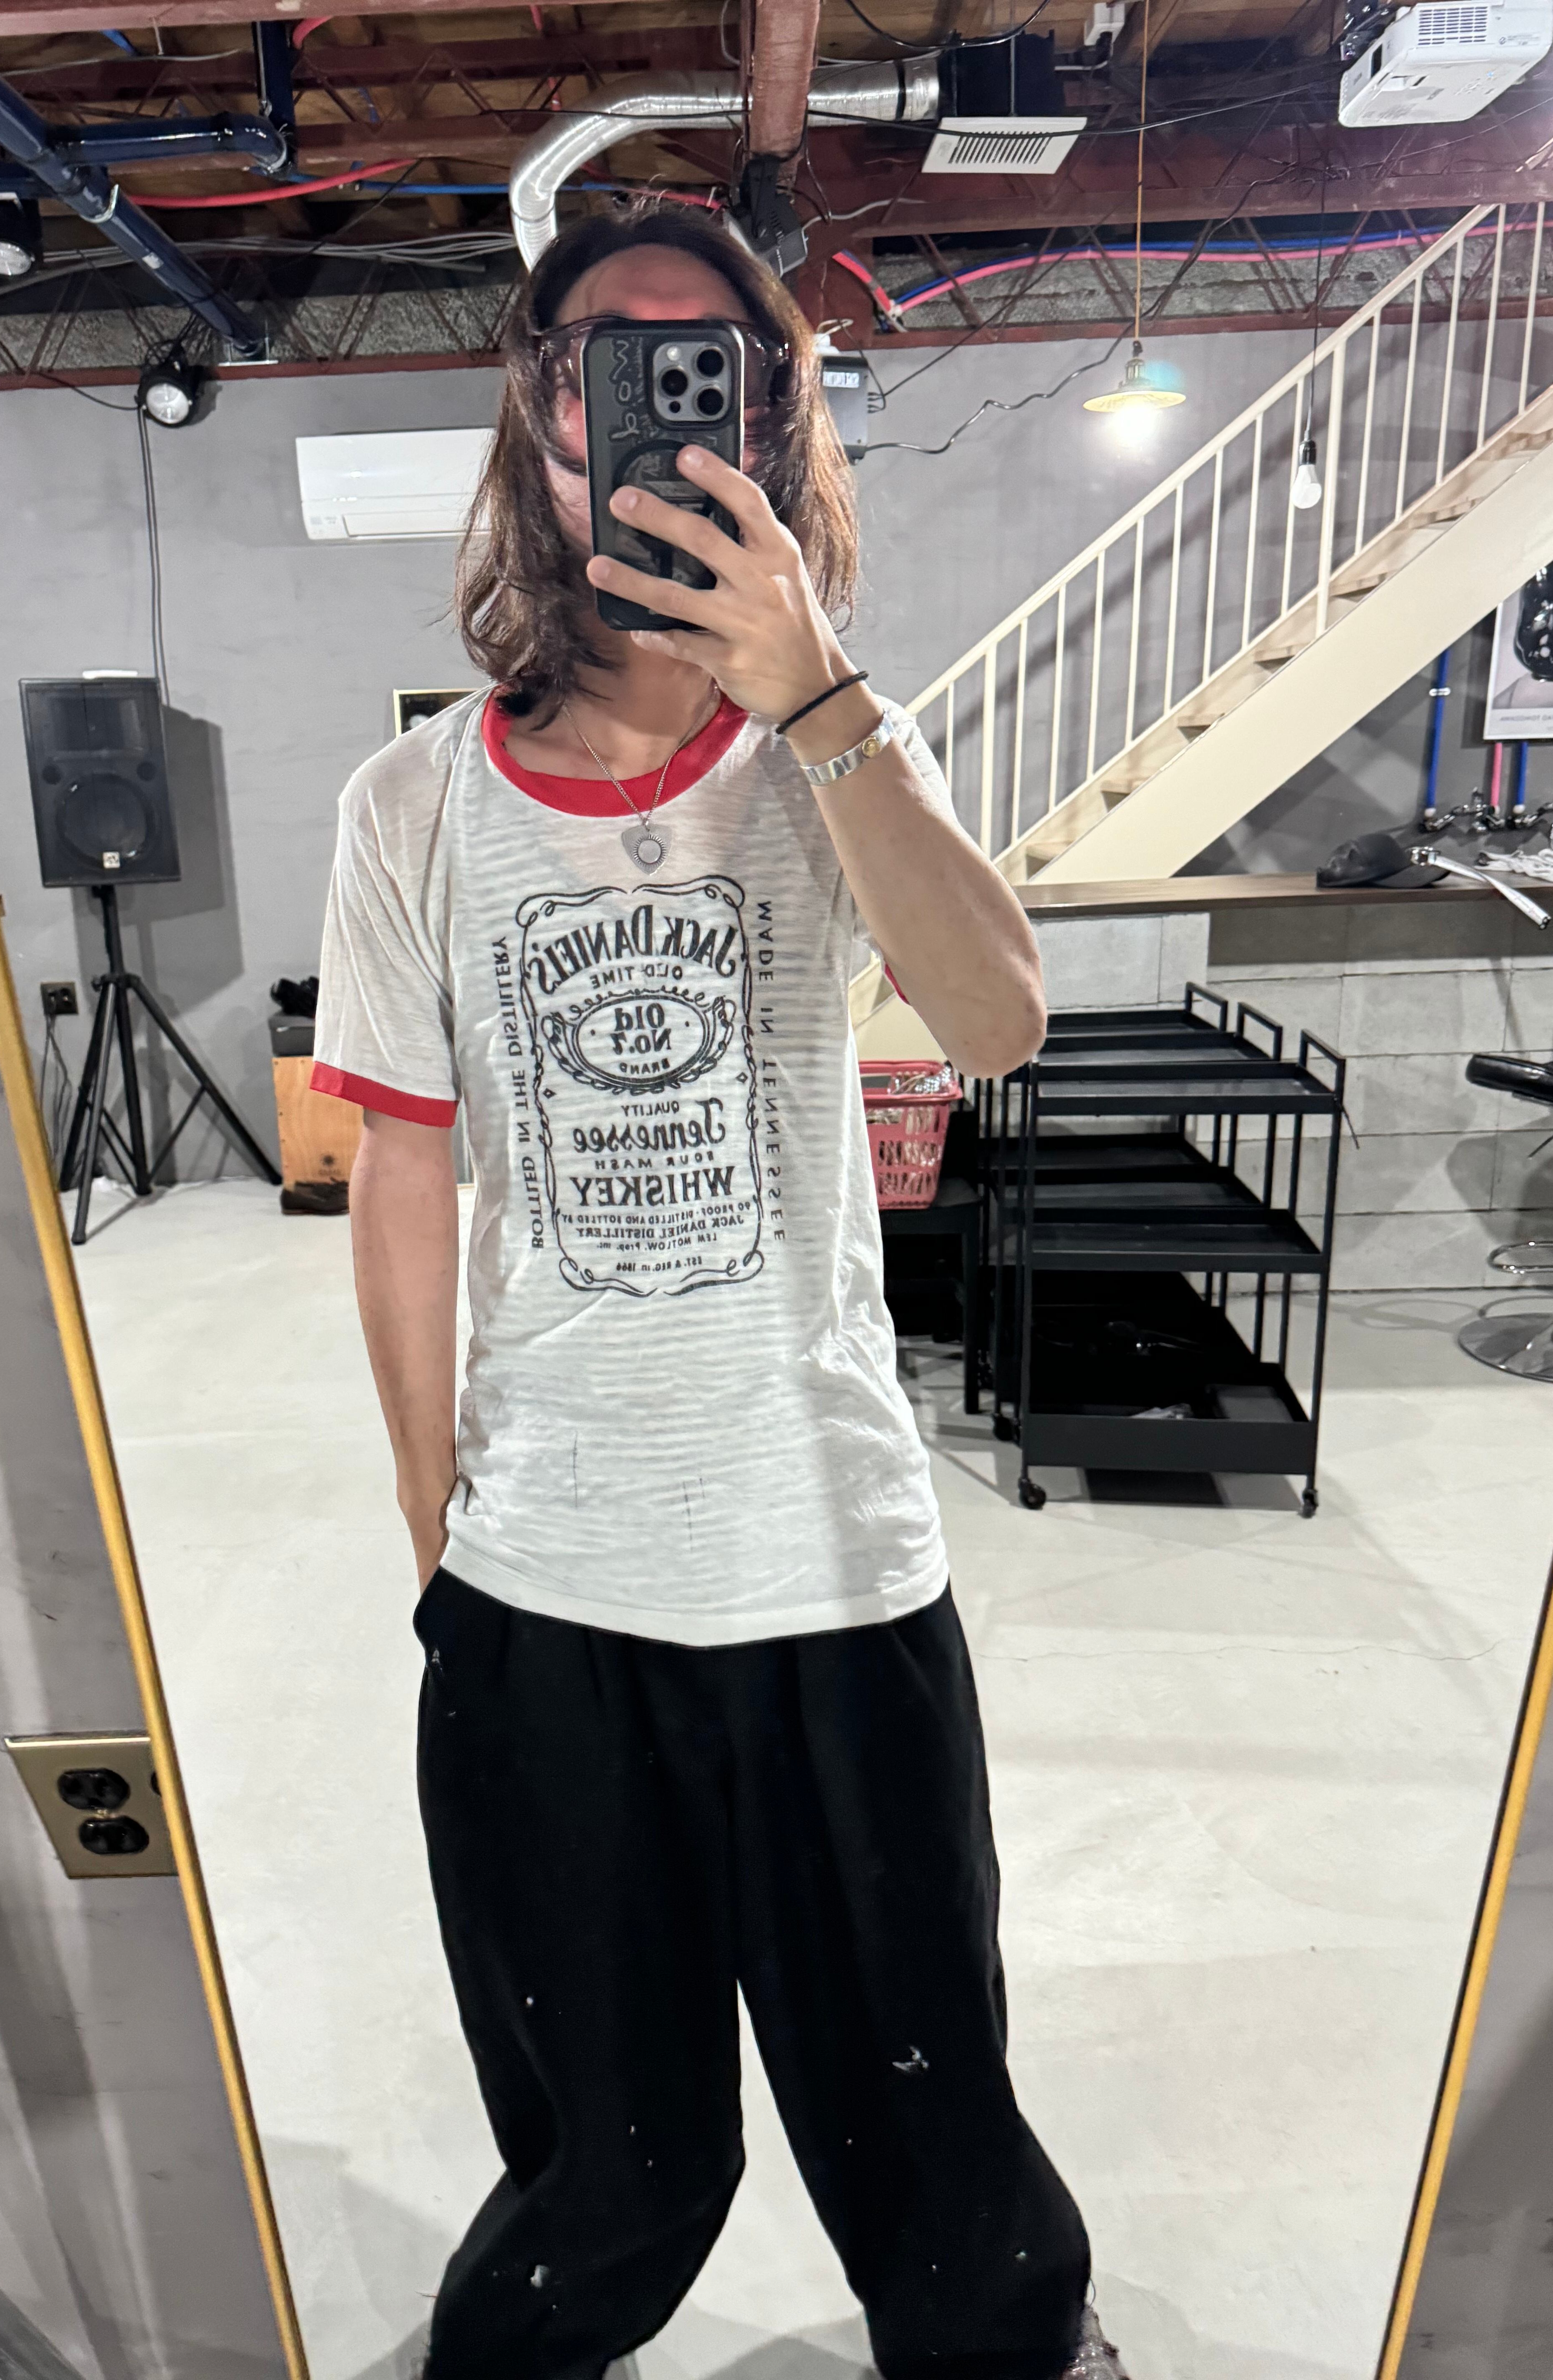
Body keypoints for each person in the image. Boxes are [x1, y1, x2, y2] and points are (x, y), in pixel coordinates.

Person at [312, 206, 1126, 2380]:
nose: (659, 412)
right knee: (608, 2165)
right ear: (539, 414)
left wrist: (823, 696)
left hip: (832, 1568)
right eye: (610, 364)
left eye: (718, 368)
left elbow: (996, 1021)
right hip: (547, 1594)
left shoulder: (839, 755)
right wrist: (437, 1543)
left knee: (937, 2157)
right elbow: (405, 1174)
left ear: (775, 420)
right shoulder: (412, 803)